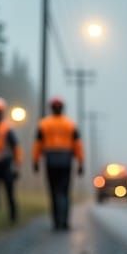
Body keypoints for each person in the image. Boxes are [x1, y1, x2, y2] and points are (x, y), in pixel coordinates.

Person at [33, 96, 84, 230]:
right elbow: (77, 145)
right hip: (66, 161)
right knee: (65, 192)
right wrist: (80, 162)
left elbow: (38, 144)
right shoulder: (70, 124)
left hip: (51, 161)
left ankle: (56, 222)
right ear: (62, 108)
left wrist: (36, 160)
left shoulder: (44, 124)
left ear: (51, 108)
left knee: (54, 191)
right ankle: (64, 221)